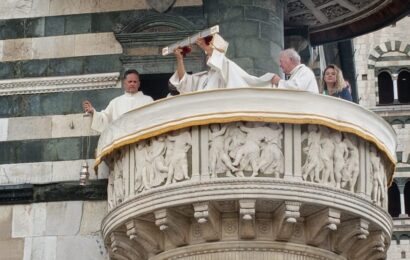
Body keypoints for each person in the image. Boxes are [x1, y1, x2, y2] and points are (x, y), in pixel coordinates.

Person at [169, 34, 274, 93]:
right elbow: (184, 82)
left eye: (209, 52)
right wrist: (180, 59)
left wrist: (206, 47)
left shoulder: (227, 69)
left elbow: (222, 62)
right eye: (207, 53)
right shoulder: (203, 77)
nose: (207, 55)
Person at [82, 69, 154, 132]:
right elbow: (105, 118)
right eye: (130, 81)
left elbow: (154, 120)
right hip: (121, 141)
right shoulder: (115, 102)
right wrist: (93, 112)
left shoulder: (147, 100)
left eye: (135, 82)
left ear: (139, 84)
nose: (132, 84)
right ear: (124, 83)